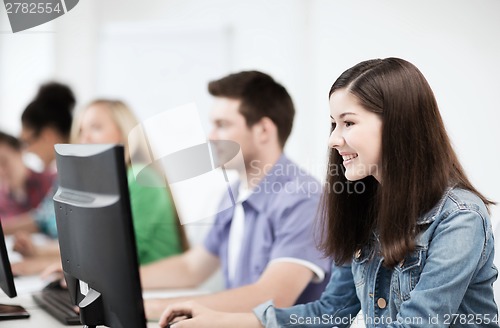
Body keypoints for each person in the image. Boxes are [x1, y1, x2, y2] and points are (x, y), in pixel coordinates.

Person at [158, 58, 498, 328]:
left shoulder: (460, 218)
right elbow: (331, 311)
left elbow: (417, 324)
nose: (333, 139)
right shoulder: (362, 207)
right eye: (333, 124)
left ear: (397, 124)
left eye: (348, 123)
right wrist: (219, 320)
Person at [141, 71, 330, 318]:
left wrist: (155, 308)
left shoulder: (304, 198)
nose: (211, 136)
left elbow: (273, 296)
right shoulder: (233, 193)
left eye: (222, 125)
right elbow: (192, 268)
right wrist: (116, 281)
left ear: (263, 130)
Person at [13, 99, 186, 271]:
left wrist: (39, 266)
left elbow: (121, 253)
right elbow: (93, 246)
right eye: (81, 131)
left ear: (123, 131)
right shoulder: (105, 182)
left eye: (95, 128)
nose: (84, 138)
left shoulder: (141, 176)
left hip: (161, 287)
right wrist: (38, 251)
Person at [2, 82, 75, 238]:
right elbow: (41, 219)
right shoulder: (63, 177)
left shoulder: (79, 175)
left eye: (27, 142)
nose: (27, 151)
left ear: (47, 135)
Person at [0, 131, 54, 220]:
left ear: (20, 151)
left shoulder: (53, 182)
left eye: (4, 161)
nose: (1, 171)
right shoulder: (1, 203)